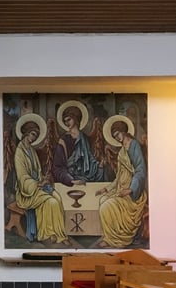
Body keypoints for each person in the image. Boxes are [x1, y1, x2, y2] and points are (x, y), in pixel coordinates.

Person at [13, 115, 70, 245]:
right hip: (27, 191)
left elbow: (37, 171)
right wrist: (37, 184)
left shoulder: (31, 150)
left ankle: (60, 234)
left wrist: (43, 180)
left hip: (37, 186)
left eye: (36, 136)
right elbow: (22, 177)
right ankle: (48, 233)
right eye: (32, 134)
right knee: (51, 202)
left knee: (57, 197)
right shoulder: (19, 152)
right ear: (26, 134)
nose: (33, 138)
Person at [96, 117, 147, 247]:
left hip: (132, 193)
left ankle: (114, 239)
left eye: (118, 134)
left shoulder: (133, 145)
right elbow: (118, 177)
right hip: (121, 189)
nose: (117, 138)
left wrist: (131, 189)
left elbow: (140, 170)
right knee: (102, 200)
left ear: (124, 131)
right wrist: (106, 189)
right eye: (114, 136)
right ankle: (111, 235)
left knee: (105, 206)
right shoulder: (122, 150)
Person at [51, 103, 105, 186]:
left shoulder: (84, 138)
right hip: (70, 180)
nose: (66, 123)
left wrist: (99, 165)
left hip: (86, 179)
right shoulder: (63, 140)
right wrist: (71, 180)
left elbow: (89, 159)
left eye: (69, 119)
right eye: (65, 121)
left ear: (76, 119)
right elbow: (57, 167)